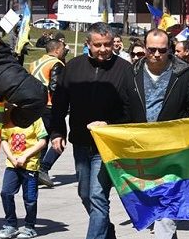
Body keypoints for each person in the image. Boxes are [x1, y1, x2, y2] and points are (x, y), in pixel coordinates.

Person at [125, 29, 189, 238]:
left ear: (169, 50)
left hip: (173, 150)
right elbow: (121, 108)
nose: (156, 54)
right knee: (151, 202)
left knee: (166, 205)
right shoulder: (131, 73)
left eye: (162, 50)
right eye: (151, 49)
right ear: (145, 48)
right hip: (142, 150)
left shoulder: (183, 73)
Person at [51, 22, 133, 239]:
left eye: (107, 44)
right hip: (80, 142)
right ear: (88, 44)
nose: (104, 49)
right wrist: (57, 132)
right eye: (98, 45)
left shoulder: (125, 70)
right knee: (85, 194)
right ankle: (106, 229)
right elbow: (59, 103)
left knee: (98, 196)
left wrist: (112, 126)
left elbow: (131, 109)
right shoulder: (74, 67)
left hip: (107, 146)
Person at [0, 114, 47, 239]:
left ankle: (30, 226)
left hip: (29, 165)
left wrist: (25, 156)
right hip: (12, 164)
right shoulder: (8, 117)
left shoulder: (35, 118)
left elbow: (42, 141)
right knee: (6, 193)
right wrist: (11, 157)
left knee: (30, 198)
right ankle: (10, 224)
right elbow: (4, 140)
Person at [28, 39, 67, 188]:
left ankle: (35, 171)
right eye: (63, 48)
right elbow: (56, 86)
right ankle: (43, 168)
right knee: (60, 140)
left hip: (35, 106)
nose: (64, 50)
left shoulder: (34, 63)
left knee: (41, 139)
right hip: (51, 106)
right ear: (57, 50)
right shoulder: (56, 64)